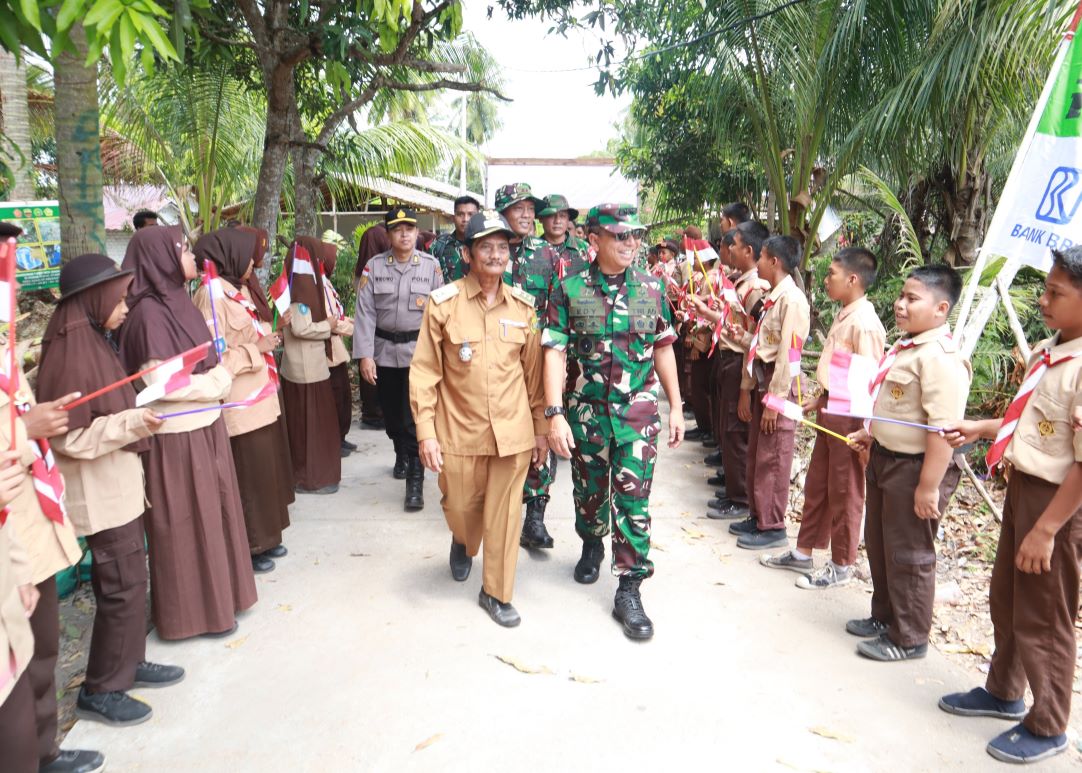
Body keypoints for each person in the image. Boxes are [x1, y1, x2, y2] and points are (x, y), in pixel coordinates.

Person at [935, 247, 1082, 765]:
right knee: (1009, 596)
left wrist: (1047, 529)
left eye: (1055, 293)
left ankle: (1048, 724)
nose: (1042, 300)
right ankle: (1003, 690)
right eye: (1045, 288)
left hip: (1058, 501)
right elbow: (1035, 421)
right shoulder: (1050, 349)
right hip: (1025, 487)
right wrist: (983, 428)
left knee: (1045, 613)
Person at [37, 254, 185, 727]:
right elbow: (69, 438)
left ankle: (129, 660)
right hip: (99, 493)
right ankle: (102, 688)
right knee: (121, 586)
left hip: (119, 486)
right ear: (95, 298)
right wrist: (133, 422)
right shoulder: (71, 350)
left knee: (131, 580)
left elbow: (104, 406)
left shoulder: (94, 340)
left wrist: (137, 404)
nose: (125, 309)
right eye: (119, 300)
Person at [544, 203, 685, 641]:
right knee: (589, 493)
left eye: (635, 235)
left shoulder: (651, 288)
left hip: (637, 415)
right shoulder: (569, 288)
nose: (631, 243)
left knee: (634, 502)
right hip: (587, 416)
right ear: (594, 240)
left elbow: (663, 346)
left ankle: (629, 587)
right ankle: (591, 542)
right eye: (620, 236)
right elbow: (554, 351)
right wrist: (554, 413)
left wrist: (677, 406)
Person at [0, 225, 107, 773]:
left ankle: (46, 752)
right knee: (17, 671)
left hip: (29, 525)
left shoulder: (4, 346)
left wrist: (29, 424)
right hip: (12, 532)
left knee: (41, 652)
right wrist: (28, 430)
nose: (14, 280)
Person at [119, 225, 257, 639]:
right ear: (161, 259)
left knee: (214, 516)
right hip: (177, 437)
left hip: (205, 425)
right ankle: (192, 616)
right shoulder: (147, 314)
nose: (192, 257)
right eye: (182, 250)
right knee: (186, 524)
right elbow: (159, 383)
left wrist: (217, 378)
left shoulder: (178, 300)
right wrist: (218, 381)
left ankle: (222, 601)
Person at [410, 210, 546, 627]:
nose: (495, 254)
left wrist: (540, 430)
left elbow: (534, 376)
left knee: (504, 518)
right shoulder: (443, 304)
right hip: (459, 433)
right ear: (468, 254)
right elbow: (424, 372)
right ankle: (462, 539)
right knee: (461, 508)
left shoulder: (523, 308)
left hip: (512, 434)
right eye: (486, 247)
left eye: (502, 247)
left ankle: (496, 592)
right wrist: (425, 433)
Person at [845, 264, 971, 662]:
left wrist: (928, 486)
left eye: (912, 299)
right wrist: (873, 433)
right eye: (901, 296)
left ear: (941, 308)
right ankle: (885, 616)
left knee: (909, 551)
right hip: (886, 458)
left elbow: (942, 428)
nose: (900, 304)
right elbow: (899, 408)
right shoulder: (908, 347)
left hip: (916, 468)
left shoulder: (940, 358)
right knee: (881, 542)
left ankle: (909, 636)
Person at [759, 247, 886, 586]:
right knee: (818, 484)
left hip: (851, 418)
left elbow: (869, 382)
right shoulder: (845, 314)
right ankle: (803, 552)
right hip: (832, 409)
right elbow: (840, 372)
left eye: (832, 274)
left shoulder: (864, 323)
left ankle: (842, 564)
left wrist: (865, 429)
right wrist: (821, 400)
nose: (826, 279)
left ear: (853, 279)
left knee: (845, 491)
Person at [194, 229, 293, 574]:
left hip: (259, 399)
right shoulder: (210, 298)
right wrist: (257, 349)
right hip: (240, 404)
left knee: (264, 473)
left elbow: (246, 333)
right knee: (248, 478)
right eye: (247, 255)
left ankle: (267, 537)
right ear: (231, 257)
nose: (253, 262)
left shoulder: (233, 292)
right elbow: (214, 358)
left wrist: (266, 336)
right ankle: (252, 547)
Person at [355, 208, 443, 509]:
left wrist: (440, 356)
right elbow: (365, 313)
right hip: (384, 352)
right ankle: (401, 452)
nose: (404, 235)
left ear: (417, 233)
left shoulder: (431, 266)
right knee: (392, 416)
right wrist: (365, 355)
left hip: (418, 353)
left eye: (409, 229)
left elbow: (440, 314)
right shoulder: (374, 267)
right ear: (389, 234)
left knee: (413, 417)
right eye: (397, 229)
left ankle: (415, 481)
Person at [727, 232, 810, 550]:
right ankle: (758, 515)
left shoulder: (793, 301)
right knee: (758, 455)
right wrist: (741, 336)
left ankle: (772, 526)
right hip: (765, 384)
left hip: (780, 388)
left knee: (774, 457)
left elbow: (789, 355)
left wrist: (775, 402)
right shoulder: (773, 298)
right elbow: (764, 346)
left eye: (761, 256)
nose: (757, 262)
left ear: (774, 261)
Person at [494, 182, 560, 549]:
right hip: (496, 361)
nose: (526, 215)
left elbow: (558, 310)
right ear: (502, 212)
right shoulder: (488, 251)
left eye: (530, 209)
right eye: (517, 208)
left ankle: (535, 515)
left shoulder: (547, 255)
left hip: (536, 360)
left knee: (541, 431)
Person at [691, 228, 770, 520]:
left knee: (737, 432)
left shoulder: (754, 289)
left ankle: (740, 499)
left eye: (733, 245)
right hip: (729, 359)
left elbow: (755, 338)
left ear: (748, 251)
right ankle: (734, 489)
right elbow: (732, 323)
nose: (727, 250)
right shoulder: (741, 283)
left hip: (739, 363)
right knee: (729, 429)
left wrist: (746, 387)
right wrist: (706, 312)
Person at [280, 235, 345, 495]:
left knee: (316, 428)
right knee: (310, 429)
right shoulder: (301, 288)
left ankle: (317, 476)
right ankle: (311, 478)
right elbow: (300, 328)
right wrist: (327, 326)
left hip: (311, 367)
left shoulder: (306, 285)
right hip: (305, 371)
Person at [319, 230, 357, 458]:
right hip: (329, 349)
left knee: (343, 396)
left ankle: (341, 437)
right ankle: (336, 439)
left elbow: (336, 315)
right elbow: (330, 320)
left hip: (337, 348)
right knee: (336, 396)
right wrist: (354, 328)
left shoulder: (325, 282)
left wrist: (350, 322)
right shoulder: (318, 284)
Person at [354, 223, 391, 430]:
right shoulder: (370, 270)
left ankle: (376, 411)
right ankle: (374, 413)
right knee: (372, 367)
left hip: (382, 330)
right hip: (376, 328)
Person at [430, 196, 480, 283]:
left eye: (470, 214)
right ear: (453, 218)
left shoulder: (486, 246)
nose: (465, 219)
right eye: (460, 214)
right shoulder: (439, 245)